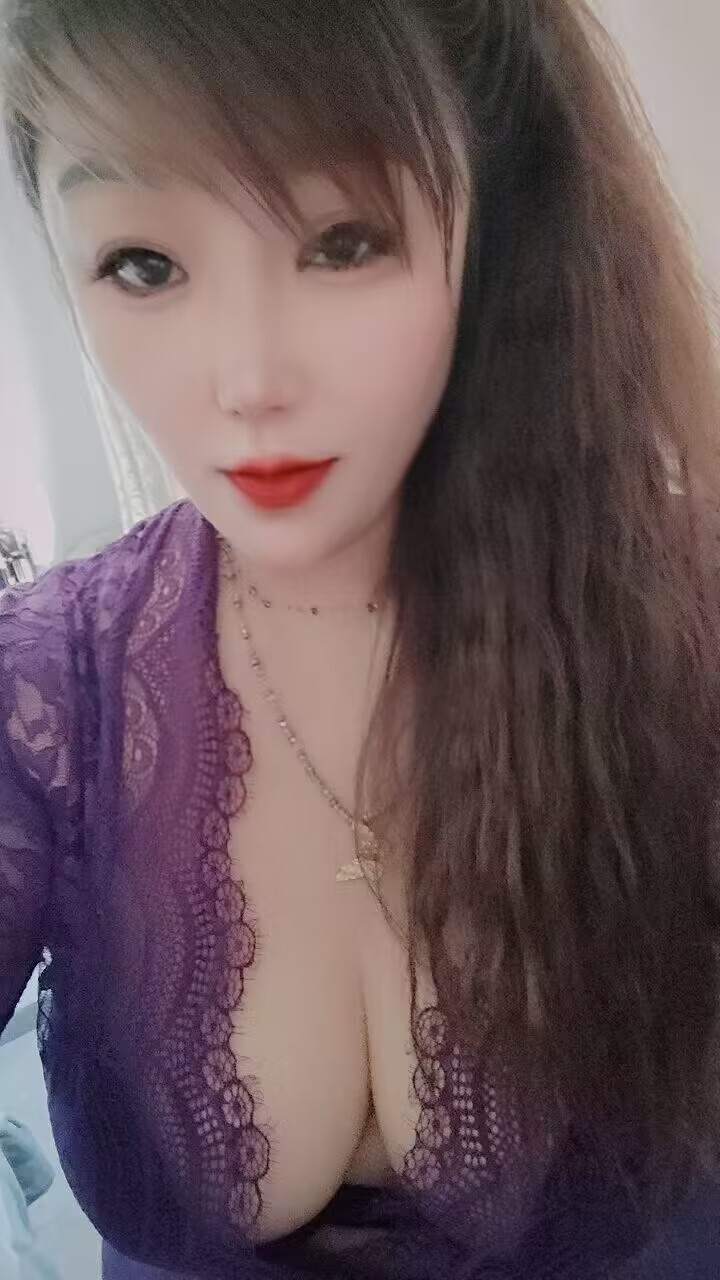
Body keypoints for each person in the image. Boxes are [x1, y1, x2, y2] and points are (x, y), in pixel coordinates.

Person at [1, 0, 719, 1276]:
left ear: (496, 234)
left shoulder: (683, 616)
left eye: (345, 240)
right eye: (144, 265)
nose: (248, 379)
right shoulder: (49, 692)